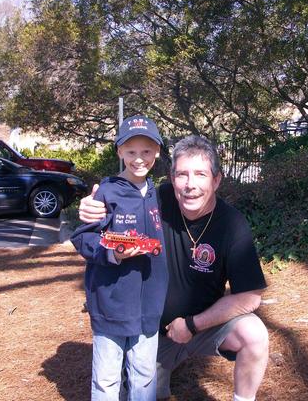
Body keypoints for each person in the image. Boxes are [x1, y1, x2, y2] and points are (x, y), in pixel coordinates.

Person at [80, 135, 269, 401]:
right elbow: (117, 211)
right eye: (182, 174)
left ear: (216, 180)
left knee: (254, 334)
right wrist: (93, 207)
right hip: (151, 334)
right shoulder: (156, 202)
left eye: (201, 174)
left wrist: (192, 325)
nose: (190, 185)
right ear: (171, 178)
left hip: (204, 326)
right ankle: (163, 368)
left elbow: (250, 297)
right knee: (137, 391)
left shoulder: (232, 224)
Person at [71, 115, 169, 401]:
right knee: (106, 379)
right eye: (131, 152)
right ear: (119, 152)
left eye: (147, 151)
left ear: (158, 152)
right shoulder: (106, 192)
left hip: (149, 304)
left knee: (144, 376)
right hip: (111, 303)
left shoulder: (159, 194)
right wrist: (113, 253)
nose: (139, 159)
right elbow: (83, 238)